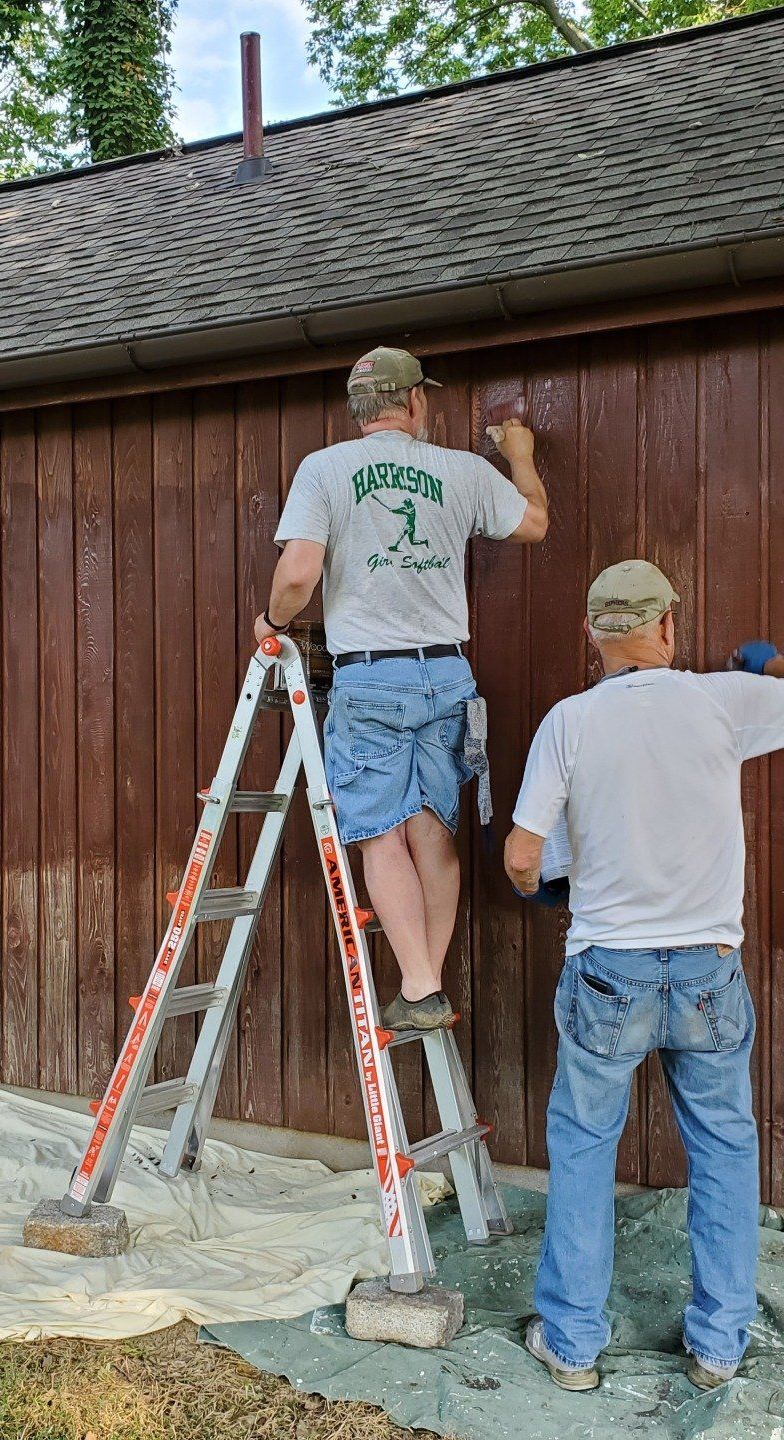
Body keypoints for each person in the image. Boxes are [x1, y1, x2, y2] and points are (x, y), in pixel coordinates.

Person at [504, 559, 784, 1393]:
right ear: (667, 625)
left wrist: (546, 883)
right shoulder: (721, 701)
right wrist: (765, 663)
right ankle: (718, 1348)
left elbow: (520, 857)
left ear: (594, 634)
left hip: (608, 971)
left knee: (583, 1150)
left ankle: (574, 1348)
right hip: (708, 970)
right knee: (724, 1149)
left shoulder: (568, 722)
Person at [256, 346, 548, 1031]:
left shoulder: (325, 470)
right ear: (415, 402)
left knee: (381, 835)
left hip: (372, 678)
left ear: (358, 410)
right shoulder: (463, 471)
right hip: (447, 673)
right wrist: (522, 455)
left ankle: (419, 982)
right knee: (432, 834)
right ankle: (428, 982)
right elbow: (534, 523)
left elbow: (299, 572)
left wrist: (272, 621)